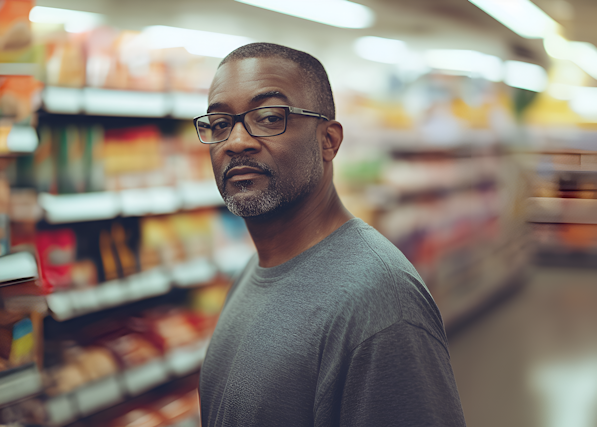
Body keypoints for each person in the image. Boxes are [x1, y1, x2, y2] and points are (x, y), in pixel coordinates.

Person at [195, 42, 466, 427]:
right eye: (220, 124)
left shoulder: (381, 302)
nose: (236, 141)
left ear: (329, 141)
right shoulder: (251, 274)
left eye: (270, 117)